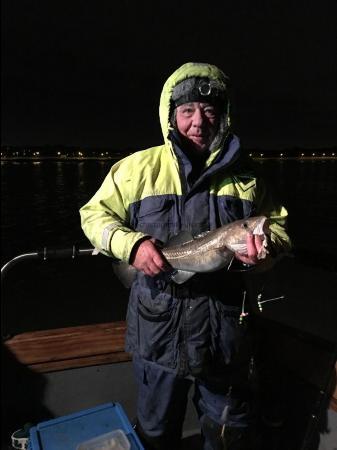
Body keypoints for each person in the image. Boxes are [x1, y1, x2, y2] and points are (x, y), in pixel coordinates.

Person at [80, 62, 291, 450]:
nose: (199, 121)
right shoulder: (136, 169)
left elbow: (276, 228)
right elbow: (93, 215)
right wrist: (132, 246)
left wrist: (265, 253)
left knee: (228, 432)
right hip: (157, 332)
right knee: (157, 432)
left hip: (224, 336)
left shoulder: (249, 179)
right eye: (188, 110)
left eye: (210, 111)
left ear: (223, 116)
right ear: (171, 116)